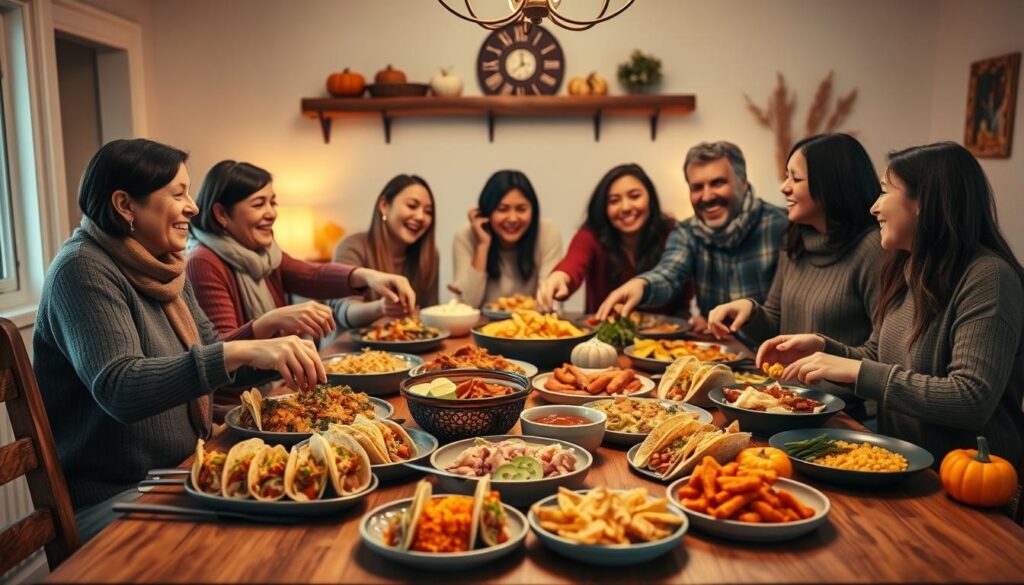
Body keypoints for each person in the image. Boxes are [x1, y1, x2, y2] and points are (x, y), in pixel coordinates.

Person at [32, 139, 330, 539]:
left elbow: (213, 365)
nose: (192, 206)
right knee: (274, 531)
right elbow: (121, 387)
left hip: (184, 467)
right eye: (178, 194)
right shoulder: (82, 270)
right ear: (125, 205)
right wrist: (239, 349)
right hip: (117, 495)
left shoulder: (166, 267)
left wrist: (264, 353)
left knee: (305, 497)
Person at [759, 141, 1024, 470]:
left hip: (970, 484)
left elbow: (971, 398)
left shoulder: (989, 278)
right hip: (903, 467)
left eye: (885, 192)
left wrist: (857, 370)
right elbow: (876, 356)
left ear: (923, 203)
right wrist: (823, 348)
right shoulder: (904, 266)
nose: (874, 207)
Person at [187, 160, 416, 418]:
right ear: (221, 214)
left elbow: (313, 274)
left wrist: (370, 276)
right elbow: (224, 358)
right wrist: (271, 320)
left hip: (275, 389)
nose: (271, 212)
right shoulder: (203, 262)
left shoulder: (264, 254)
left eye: (273, 202)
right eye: (258, 203)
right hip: (233, 409)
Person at [706, 134, 882, 419]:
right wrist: (749, 311)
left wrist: (826, 354)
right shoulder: (797, 238)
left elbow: (882, 357)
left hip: (846, 414)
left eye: (795, 179)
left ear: (830, 186)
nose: (784, 187)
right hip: (788, 402)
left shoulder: (873, 249)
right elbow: (777, 325)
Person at [595, 142, 788, 330]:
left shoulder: (783, 226)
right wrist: (641, 285)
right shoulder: (687, 232)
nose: (707, 196)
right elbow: (669, 274)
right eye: (697, 187)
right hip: (719, 352)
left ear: (743, 182)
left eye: (717, 183)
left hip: (775, 354)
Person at [536, 163, 694, 315]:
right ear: (603, 208)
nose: (625, 207)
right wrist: (559, 277)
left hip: (665, 340)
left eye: (634, 196)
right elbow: (573, 263)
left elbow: (682, 288)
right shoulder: (591, 235)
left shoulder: (673, 232)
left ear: (650, 199)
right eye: (614, 201)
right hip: (601, 338)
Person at [449, 170, 562, 308]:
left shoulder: (548, 233)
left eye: (521, 209)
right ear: (486, 212)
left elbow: (549, 304)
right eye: (502, 209)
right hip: (479, 328)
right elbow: (466, 306)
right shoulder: (466, 235)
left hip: (530, 326)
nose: (513, 218)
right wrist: (482, 245)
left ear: (533, 210)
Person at [334, 174, 439, 307]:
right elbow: (343, 310)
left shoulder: (429, 254)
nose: (420, 217)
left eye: (428, 211)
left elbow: (428, 313)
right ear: (384, 205)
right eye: (412, 206)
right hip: (358, 329)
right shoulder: (353, 246)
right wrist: (381, 308)